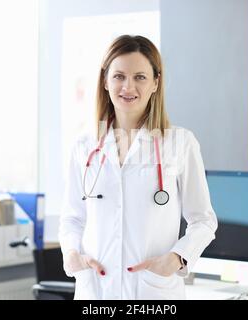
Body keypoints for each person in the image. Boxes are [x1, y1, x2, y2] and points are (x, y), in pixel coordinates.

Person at [59, 35, 218, 300]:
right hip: (96, 292)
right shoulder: (84, 146)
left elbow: (203, 219)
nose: (128, 86)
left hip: (153, 293)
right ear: (105, 81)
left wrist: (177, 258)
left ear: (156, 82)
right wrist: (72, 254)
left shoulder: (180, 143)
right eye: (119, 76)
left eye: (140, 77)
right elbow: (72, 218)